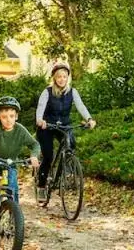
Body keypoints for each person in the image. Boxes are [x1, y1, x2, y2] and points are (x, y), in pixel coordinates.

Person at [34, 63, 95, 203]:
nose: (61, 79)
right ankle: (42, 186)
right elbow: (41, 107)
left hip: (64, 125)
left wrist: (89, 119)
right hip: (47, 126)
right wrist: (40, 120)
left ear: (68, 77)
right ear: (54, 78)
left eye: (64, 76)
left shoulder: (72, 92)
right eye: (59, 77)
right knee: (48, 156)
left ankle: (66, 172)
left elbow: (80, 105)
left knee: (71, 144)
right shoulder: (47, 92)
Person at [0, 96, 41, 223]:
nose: (8, 120)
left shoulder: (20, 130)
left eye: (11, 116)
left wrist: (34, 156)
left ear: (16, 116)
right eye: (4, 117)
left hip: (10, 166)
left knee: (13, 191)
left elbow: (34, 144)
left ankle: (13, 219)